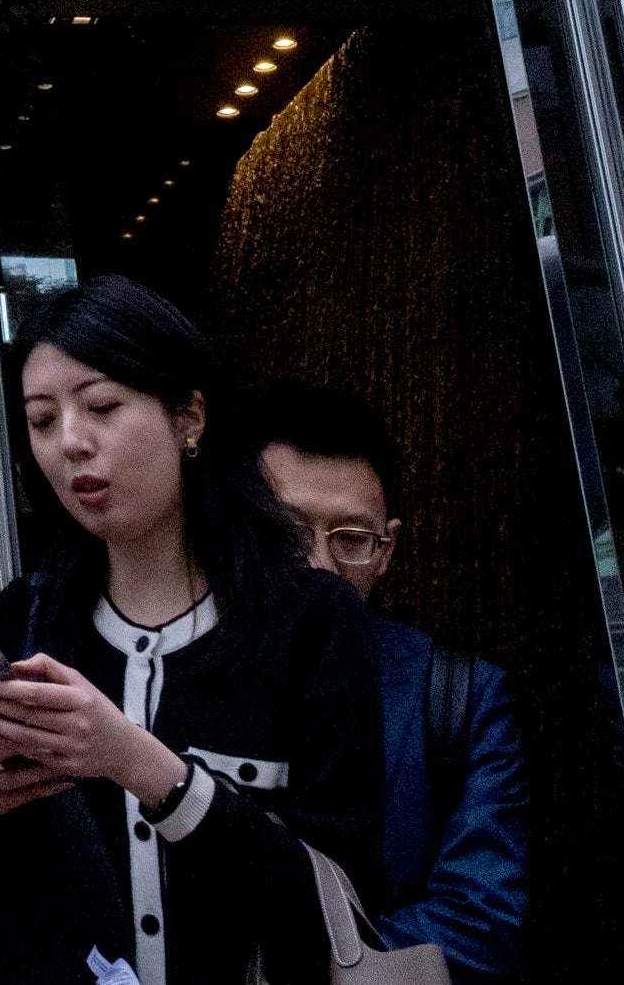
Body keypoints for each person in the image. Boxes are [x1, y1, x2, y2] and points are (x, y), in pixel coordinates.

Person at [0, 278, 383, 985]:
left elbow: (342, 906)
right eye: (42, 421)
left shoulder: (312, 622)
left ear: (189, 417)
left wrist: (142, 766)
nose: (71, 444)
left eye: (102, 407)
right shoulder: (27, 617)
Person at [251, 381, 530, 984]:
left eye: (351, 540)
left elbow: (480, 924)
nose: (317, 566)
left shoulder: (462, 697)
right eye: (287, 533)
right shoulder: (169, 662)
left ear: (386, 550)